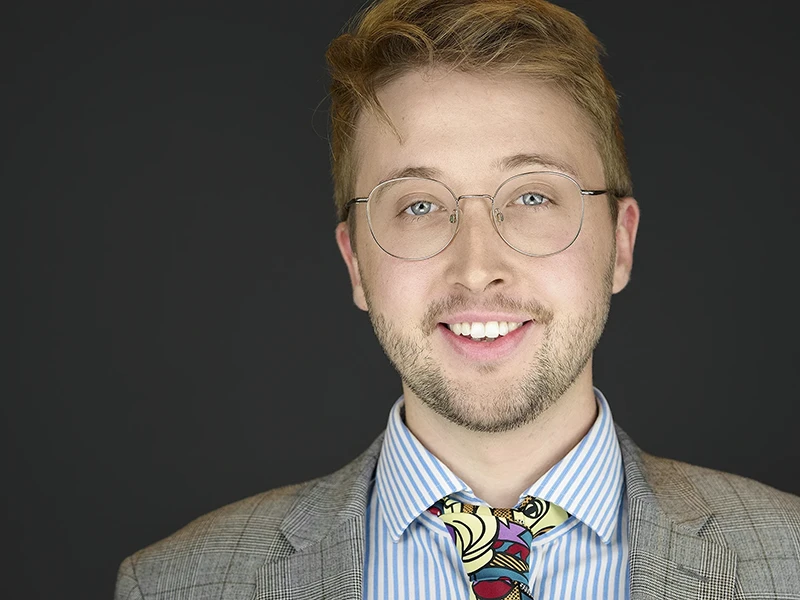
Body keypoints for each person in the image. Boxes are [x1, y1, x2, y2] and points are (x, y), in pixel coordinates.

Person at [115, 0, 800, 598]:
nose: (477, 268)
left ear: (619, 245)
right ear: (355, 261)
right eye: (417, 205)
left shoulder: (789, 564)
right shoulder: (178, 585)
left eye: (533, 196)